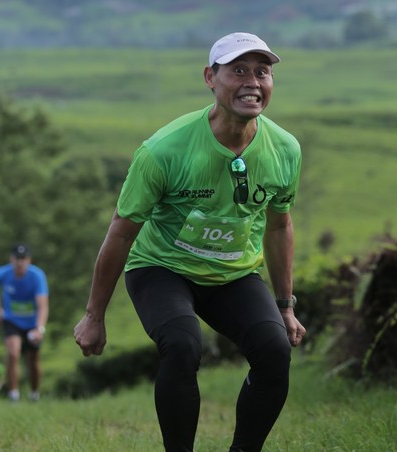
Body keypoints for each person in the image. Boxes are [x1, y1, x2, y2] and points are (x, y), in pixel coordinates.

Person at [74, 32, 306, 451]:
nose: (252, 82)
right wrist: (94, 315)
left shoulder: (285, 149)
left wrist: (285, 306)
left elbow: (278, 227)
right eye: (239, 70)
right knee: (182, 345)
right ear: (210, 78)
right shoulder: (164, 150)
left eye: (262, 72)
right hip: (162, 268)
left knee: (274, 351)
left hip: (233, 274)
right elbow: (122, 231)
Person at [0, 243, 49, 402]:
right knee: (13, 353)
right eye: (17, 258)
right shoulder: (4, 273)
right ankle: (13, 395)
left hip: (32, 324)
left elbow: (43, 306)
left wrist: (40, 329)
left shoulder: (37, 276)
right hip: (11, 320)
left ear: (29, 260)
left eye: (23, 258)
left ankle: (34, 394)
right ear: (11, 259)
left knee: (33, 360)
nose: (20, 262)